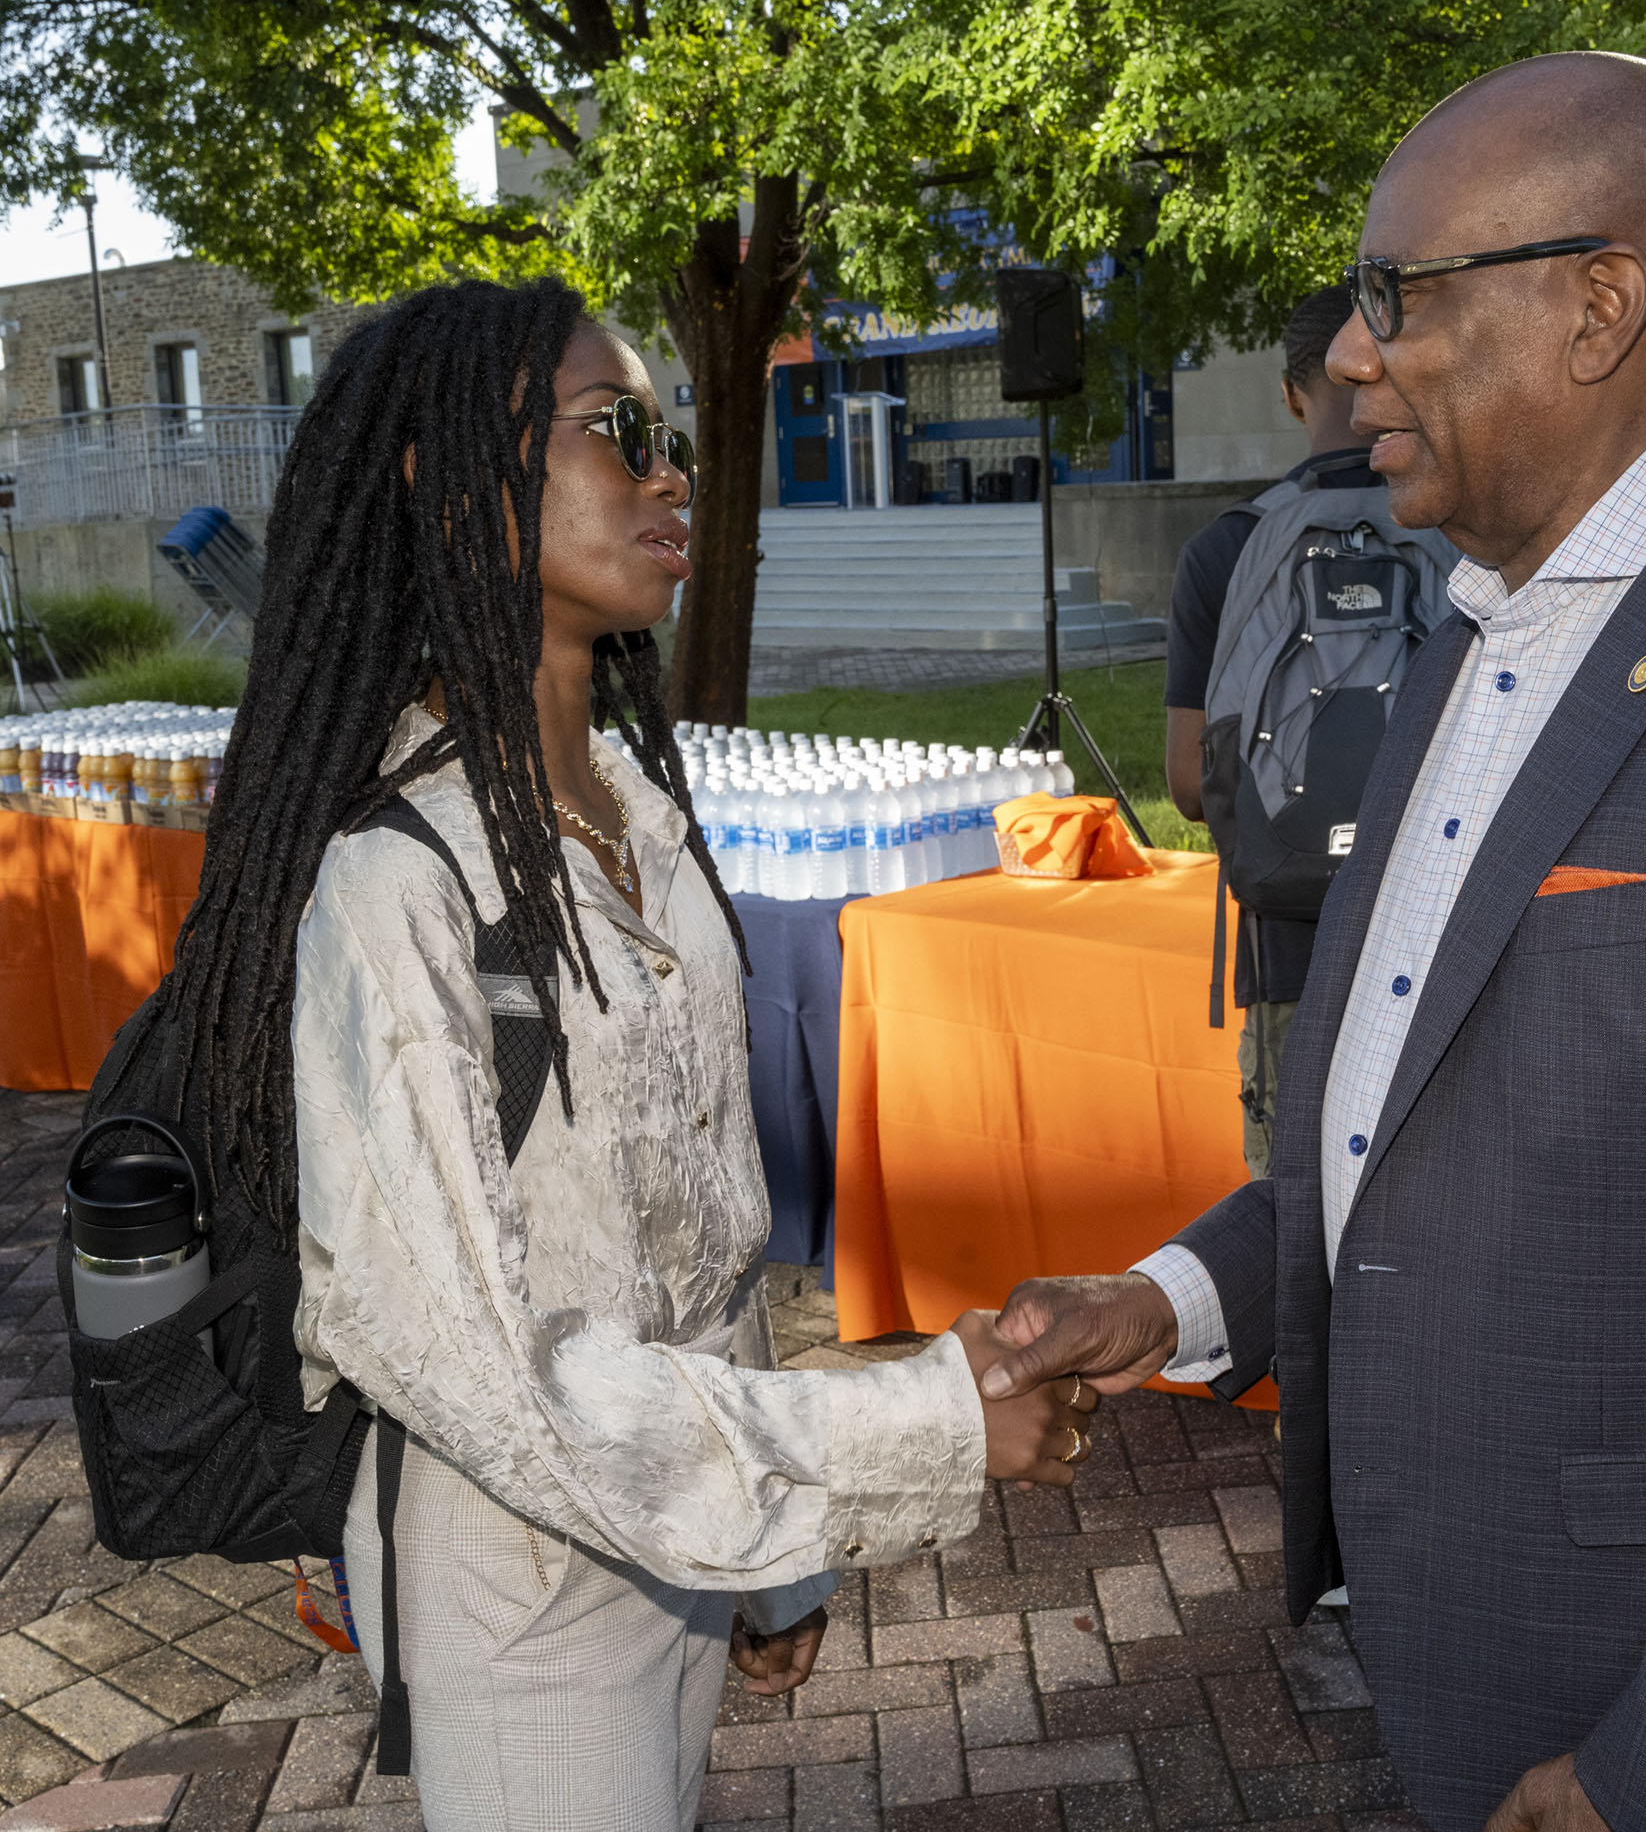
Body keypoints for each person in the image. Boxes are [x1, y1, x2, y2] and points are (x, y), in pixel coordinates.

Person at [980, 52, 1646, 1832]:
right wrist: (1168, 1301)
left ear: (1599, 307)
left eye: (1396, 293)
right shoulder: (1458, 641)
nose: (1350, 353)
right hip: (1450, 1664)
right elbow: (1402, 1130)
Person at [163, 277, 1096, 1830]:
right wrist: (921, 1426)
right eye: (622, 434)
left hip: (680, 1536)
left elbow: (706, 1243)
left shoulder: (644, 827)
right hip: (524, 1603)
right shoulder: (399, 883)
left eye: (672, 436)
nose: (674, 473)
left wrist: (775, 1556)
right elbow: (484, 1377)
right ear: (446, 485)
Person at [1164, 287, 1452, 1174]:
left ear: (1292, 395)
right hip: (1442, 939)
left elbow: (1187, 782)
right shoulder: (1458, 530)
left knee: (1293, 1224)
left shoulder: (1229, 548)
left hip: (1289, 951)